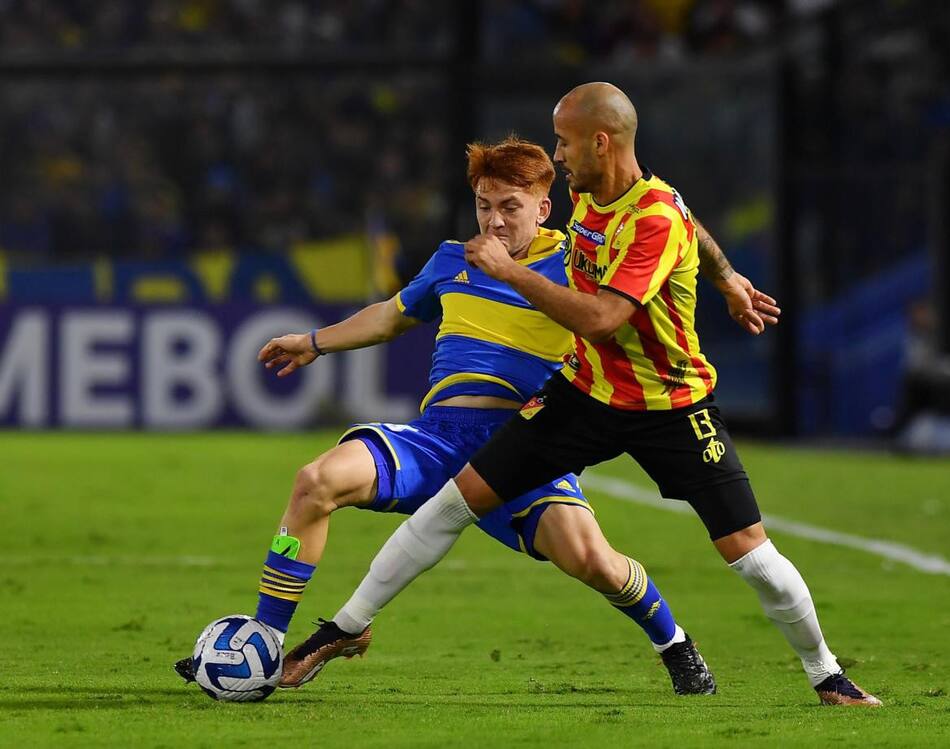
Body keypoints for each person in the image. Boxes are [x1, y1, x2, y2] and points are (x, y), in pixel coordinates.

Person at [300, 84, 882, 707]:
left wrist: (508, 271)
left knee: (750, 555)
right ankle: (341, 630)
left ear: (600, 142)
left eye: (564, 140)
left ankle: (829, 677)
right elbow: (697, 225)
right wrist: (728, 276)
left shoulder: (649, 220)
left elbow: (603, 318)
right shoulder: (592, 193)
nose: (559, 152)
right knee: (455, 501)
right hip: (584, 391)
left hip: (671, 407)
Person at [176, 137, 718, 695]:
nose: (495, 220)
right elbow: (390, 317)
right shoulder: (453, 259)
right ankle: (264, 641)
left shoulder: (577, 261)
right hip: (436, 439)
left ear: (543, 207)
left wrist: (724, 278)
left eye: (510, 206)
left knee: (593, 561)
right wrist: (314, 342)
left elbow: (666, 220)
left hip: (524, 445)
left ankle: (674, 644)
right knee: (316, 482)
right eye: (485, 206)